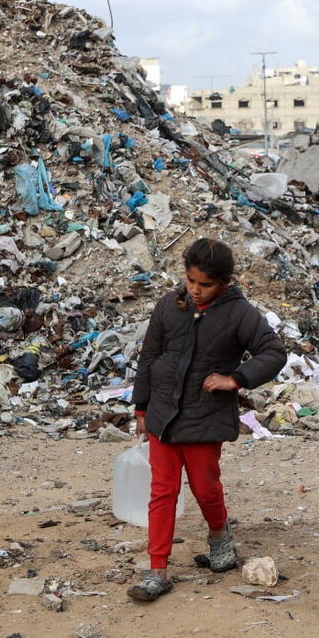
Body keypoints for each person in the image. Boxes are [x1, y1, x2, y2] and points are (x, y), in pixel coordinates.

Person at [128, 238, 288, 602]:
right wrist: (142, 409)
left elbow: (273, 352)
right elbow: (149, 356)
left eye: (205, 284)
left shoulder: (240, 313)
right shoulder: (169, 305)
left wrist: (236, 379)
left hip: (205, 417)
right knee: (162, 492)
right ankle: (157, 572)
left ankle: (219, 536)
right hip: (163, 416)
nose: (196, 290)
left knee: (205, 488)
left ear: (225, 282)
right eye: (191, 280)